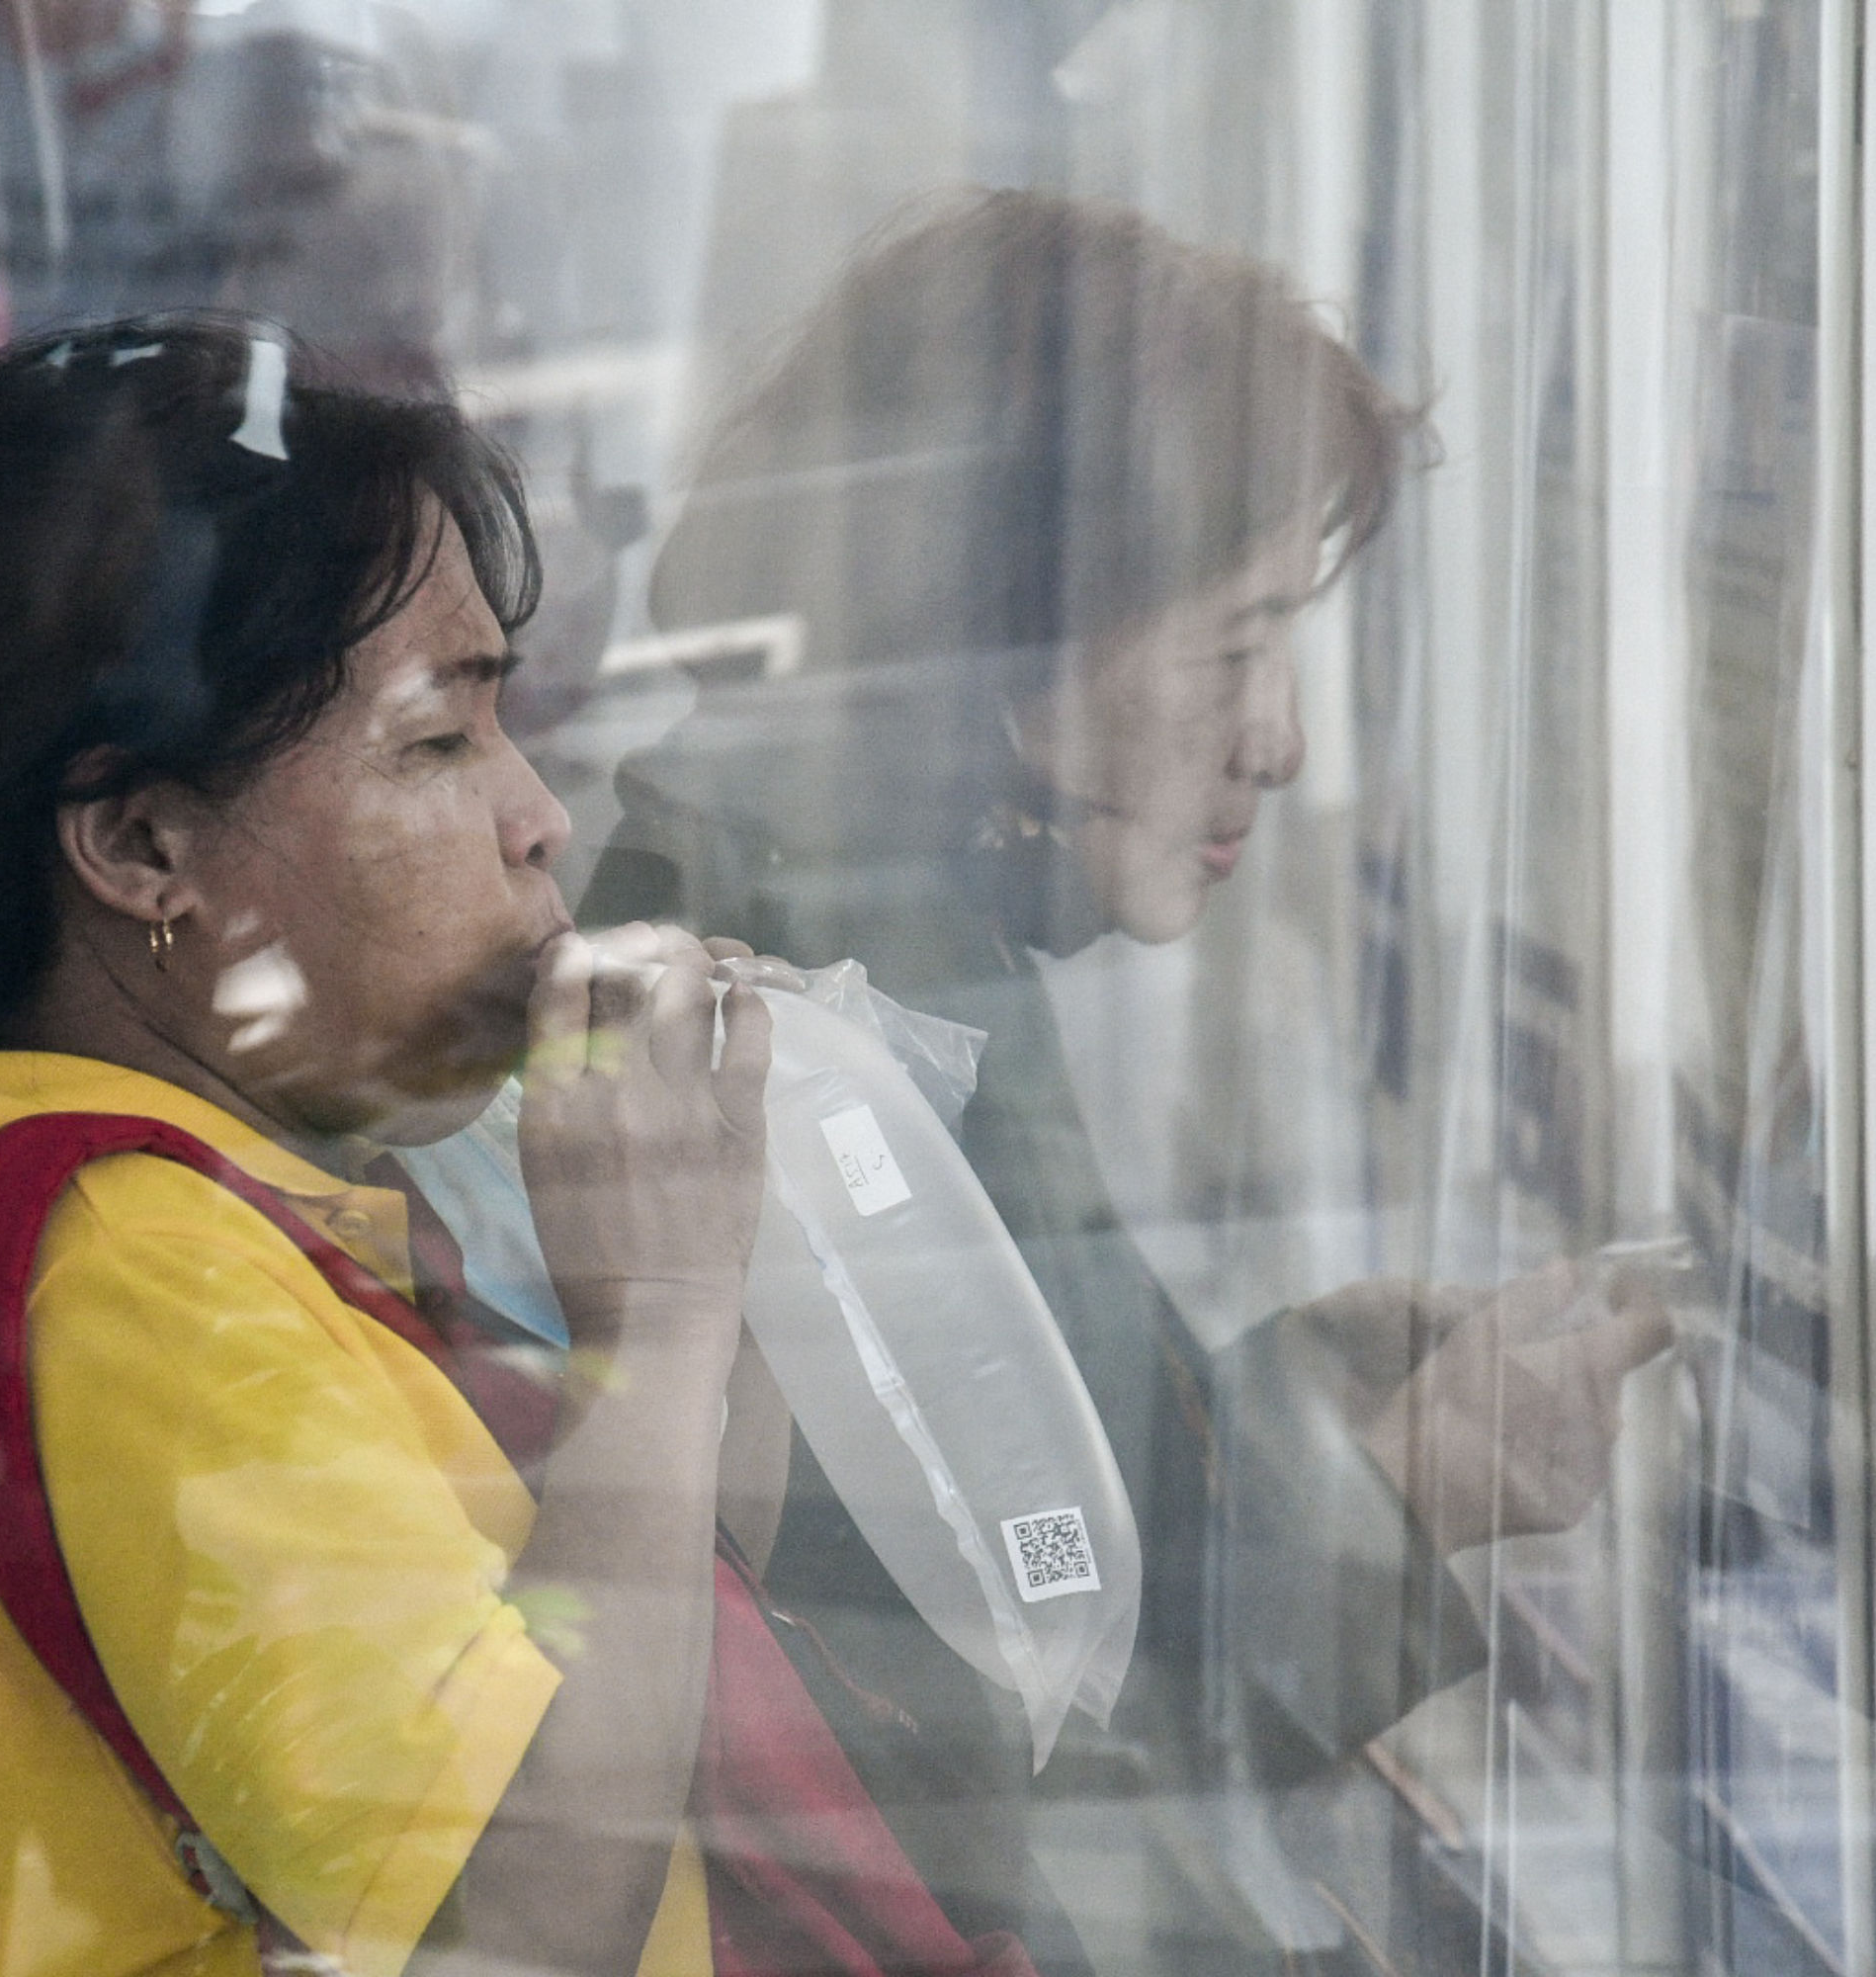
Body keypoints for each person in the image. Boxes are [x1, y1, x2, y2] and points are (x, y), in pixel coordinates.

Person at [0, 314, 1029, 1977]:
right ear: (143, 844)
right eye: (438, 742)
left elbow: (650, 1648)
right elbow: (526, 1918)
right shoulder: (127, 1267)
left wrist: (712, 1249)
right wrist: (656, 1327)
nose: (538, 817)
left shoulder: (221, 1213)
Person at [581, 191, 1672, 1969]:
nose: (1284, 740)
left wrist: (1296, 1401)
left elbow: (995, 1518)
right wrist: (1399, 1501)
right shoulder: (825, 1036)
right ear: (1010, 646)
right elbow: (1041, 1766)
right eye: (1236, 646)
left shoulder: (870, 927)